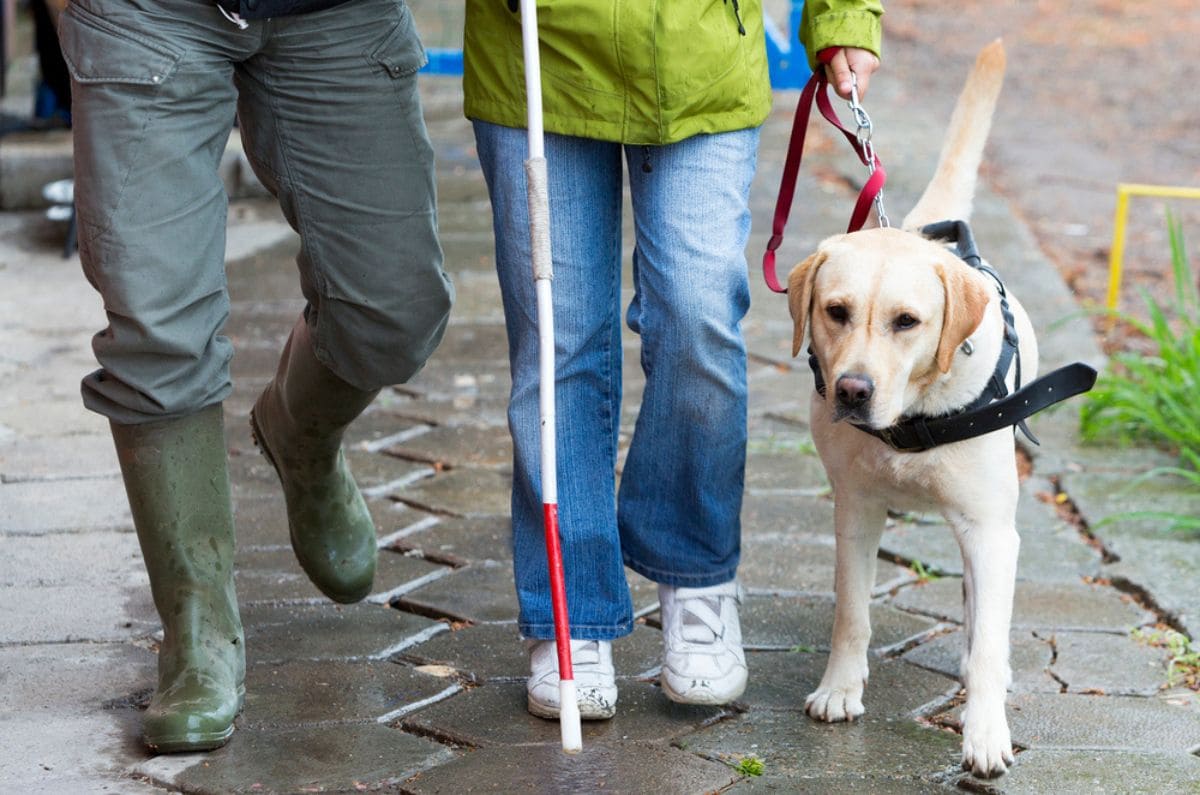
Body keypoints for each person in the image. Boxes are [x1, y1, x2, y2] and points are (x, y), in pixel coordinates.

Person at [462, 0, 883, 719]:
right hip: (537, 48)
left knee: (699, 314)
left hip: (700, 56)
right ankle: (573, 612)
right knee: (557, 338)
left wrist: (844, 13)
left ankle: (696, 576)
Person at [58, 0, 452, 753]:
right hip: (146, 13)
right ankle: (197, 629)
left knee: (394, 309)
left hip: (337, 10)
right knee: (155, 319)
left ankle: (300, 436)